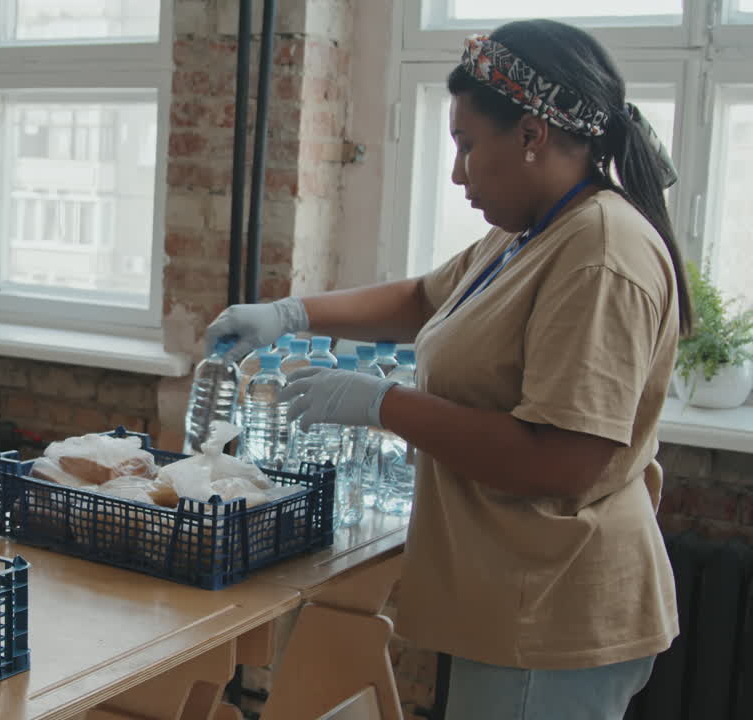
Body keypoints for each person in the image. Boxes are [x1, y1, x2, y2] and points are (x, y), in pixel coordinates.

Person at [204, 19, 689, 720]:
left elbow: (564, 460)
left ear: (531, 136)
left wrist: (382, 404)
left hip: (552, 614)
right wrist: (292, 312)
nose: (457, 171)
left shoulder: (601, 254)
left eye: (466, 144)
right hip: (513, 599)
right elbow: (424, 300)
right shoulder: (531, 232)